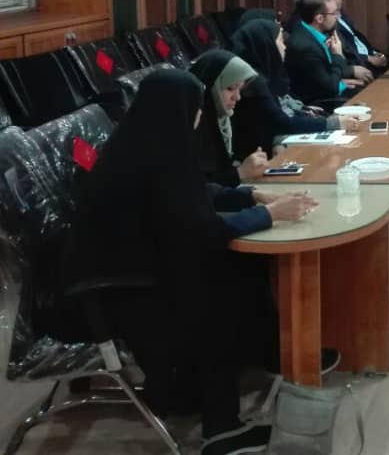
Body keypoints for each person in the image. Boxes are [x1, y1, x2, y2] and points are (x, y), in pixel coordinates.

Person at [63, 69, 316, 455]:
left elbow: (193, 193)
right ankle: (221, 429)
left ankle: (263, 360)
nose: (199, 119)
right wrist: (269, 215)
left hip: (139, 266)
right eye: (196, 111)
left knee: (243, 270)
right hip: (117, 292)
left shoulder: (144, 142)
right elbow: (201, 232)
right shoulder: (153, 157)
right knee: (218, 293)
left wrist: (249, 196)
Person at [230, 19, 363, 159]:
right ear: (266, 45)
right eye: (280, 41)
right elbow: (282, 123)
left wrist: (305, 110)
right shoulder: (254, 83)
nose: (284, 47)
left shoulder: (271, 73)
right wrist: (332, 123)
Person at [190, 50, 268, 188]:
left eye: (240, 89)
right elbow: (199, 188)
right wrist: (240, 173)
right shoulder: (195, 124)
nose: (237, 97)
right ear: (211, 87)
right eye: (231, 88)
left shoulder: (224, 116)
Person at [285, 0, 365, 104]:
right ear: (319, 19)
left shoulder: (311, 33)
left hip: (329, 90)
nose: (337, 17)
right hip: (318, 102)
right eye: (334, 13)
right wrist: (337, 55)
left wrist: (341, 82)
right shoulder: (305, 46)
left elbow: (325, 77)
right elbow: (330, 88)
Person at [323, 0, 388, 76]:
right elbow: (346, 53)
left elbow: (358, 41)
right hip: (360, 67)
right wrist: (368, 58)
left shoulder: (343, 16)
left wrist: (374, 53)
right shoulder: (329, 24)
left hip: (370, 61)